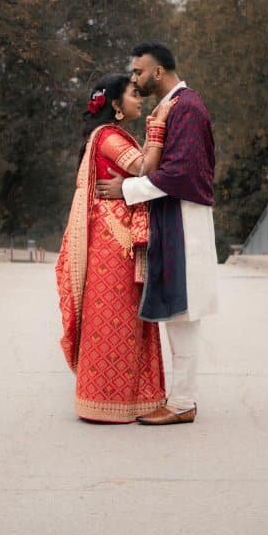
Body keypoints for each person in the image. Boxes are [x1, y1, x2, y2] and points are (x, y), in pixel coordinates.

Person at [96, 42, 217, 426]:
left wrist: (126, 191)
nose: (135, 78)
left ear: (159, 72)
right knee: (177, 310)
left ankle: (183, 402)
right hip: (171, 215)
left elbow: (180, 172)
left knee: (184, 312)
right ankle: (180, 399)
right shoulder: (174, 106)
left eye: (139, 72)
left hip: (183, 216)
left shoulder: (188, 108)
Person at [54, 73, 178, 423]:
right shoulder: (108, 137)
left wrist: (127, 187)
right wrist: (158, 126)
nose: (140, 100)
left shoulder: (112, 135)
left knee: (123, 317)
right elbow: (146, 169)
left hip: (114, 237)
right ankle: (109, 401)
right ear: (115, 106)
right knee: (117, 317)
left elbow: (137, 178)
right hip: (115, 240)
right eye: (133, 94)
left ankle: (121, 399)